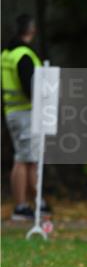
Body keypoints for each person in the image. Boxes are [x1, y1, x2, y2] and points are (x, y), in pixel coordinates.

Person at [1, 13, 50, 221]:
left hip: (13, 111)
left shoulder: (7, 53)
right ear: (32, 30)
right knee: (24, 158)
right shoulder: (24, 55)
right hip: (25, 113)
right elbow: (30, 88)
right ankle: (22, 206)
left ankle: (35, 203)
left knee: (28, 157)